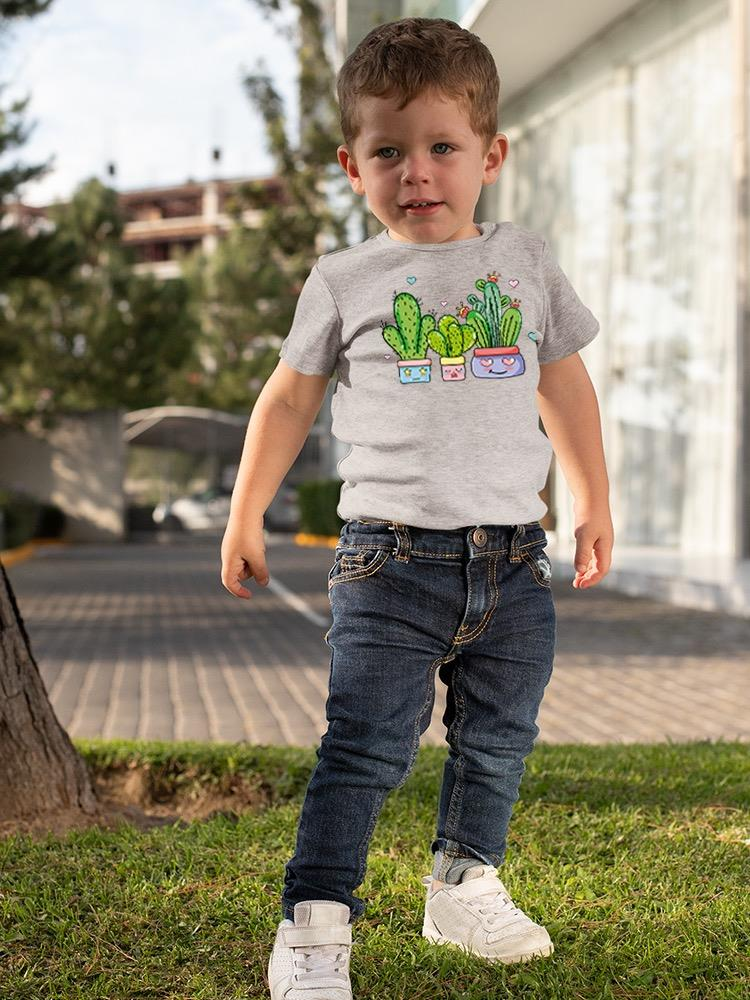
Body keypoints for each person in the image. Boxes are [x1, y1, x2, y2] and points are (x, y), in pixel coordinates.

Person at [220, 16, 614, 1000]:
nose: (418, 173)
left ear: (492, 153)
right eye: (389, 152)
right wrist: (244, 512)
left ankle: (463, 881)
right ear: (352, 165)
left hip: (515, 562)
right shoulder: (344, 280)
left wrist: (592, 498)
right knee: (364, 745)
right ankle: (313, 927)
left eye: (442, 147)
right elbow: (289, 400)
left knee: (499, 738)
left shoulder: (522, 263)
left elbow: (564, 387)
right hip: (387, 563)